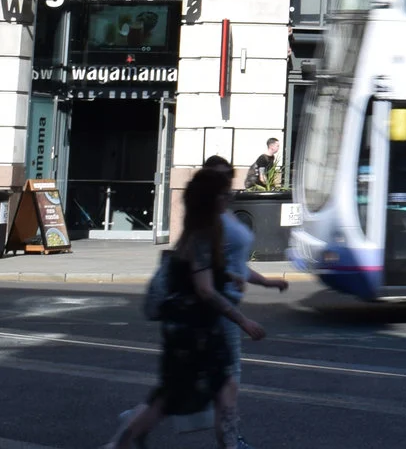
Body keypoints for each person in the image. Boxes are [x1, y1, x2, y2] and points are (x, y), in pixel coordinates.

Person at [110, 167, 266, 449]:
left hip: (192, 327)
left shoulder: (202, 229)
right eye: (223, 194)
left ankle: (127, 439)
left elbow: (200, 273)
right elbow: (205, 289)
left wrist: (232, 276)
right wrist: (243, 320)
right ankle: (124, 440)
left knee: (211, 387)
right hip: (192, 329)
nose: (228, 198)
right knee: (175, 396)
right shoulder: (204, 234)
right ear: (211, 199)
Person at [204, 157, 289, 449]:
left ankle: (134, 426)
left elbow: (234, 263)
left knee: (209, 384)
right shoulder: (207, 219)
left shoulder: (223, 213)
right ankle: (231, 442)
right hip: (216, 309)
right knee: (226, 382)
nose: (227, 185)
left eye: (229, 177)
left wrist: (267, 282)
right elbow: (200, 268)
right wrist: (243, 320)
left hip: (225, 306)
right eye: (220, 179)